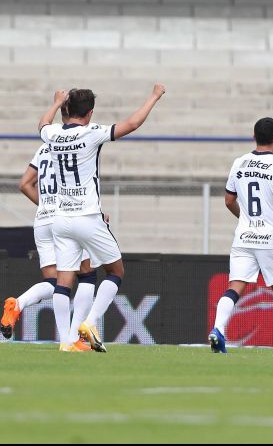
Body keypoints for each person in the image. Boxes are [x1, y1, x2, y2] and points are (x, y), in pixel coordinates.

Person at [38, 84, 165, 352]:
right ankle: (90, 323)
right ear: (90, 113)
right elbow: (131, 124)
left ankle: (65, 342)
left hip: (61, 219)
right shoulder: (91, 134)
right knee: (116, 270)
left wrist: (55, 102)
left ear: (66, 110)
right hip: (88, 216)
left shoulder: (52, 135)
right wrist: (153, 96)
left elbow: (42, 123)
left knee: (64, 279)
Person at [209, 117, 273, 355]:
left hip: (244, 236)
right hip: (270, 238)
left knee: (234, 287)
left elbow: (228, 200)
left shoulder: (239, 163)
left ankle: (218, 330)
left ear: (254, 136)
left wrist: (246, 219)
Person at [1, 103, 97, 349]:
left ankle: (17, 305)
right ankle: (73, 337)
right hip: (68, 216)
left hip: (42, 219)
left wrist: (46, 204)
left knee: (54, 283)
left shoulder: (44, 146)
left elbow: (24, 184)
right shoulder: (74, 144)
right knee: (87, 275)